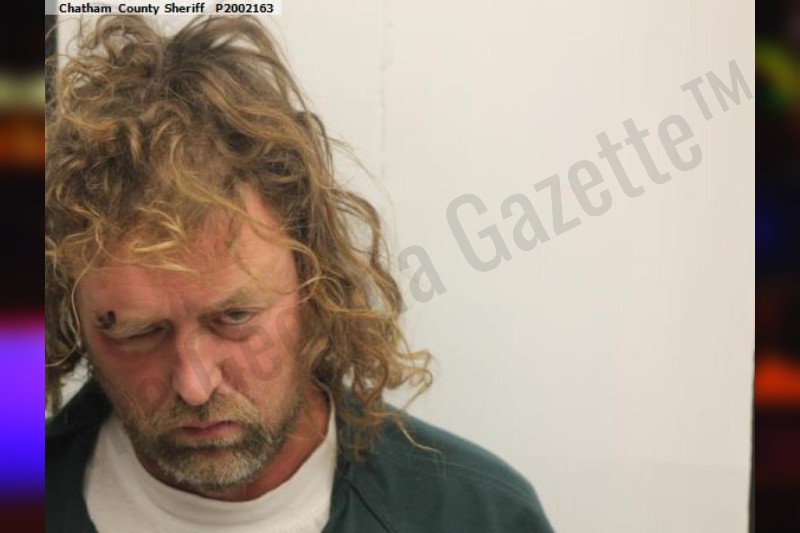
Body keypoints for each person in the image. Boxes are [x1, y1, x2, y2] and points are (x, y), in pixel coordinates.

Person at [45, 15, 554, 533]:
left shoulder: (478, 517)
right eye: (137, 332)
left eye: (235, 317)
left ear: (316, 280)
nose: (195, 386)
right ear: (73, 319)